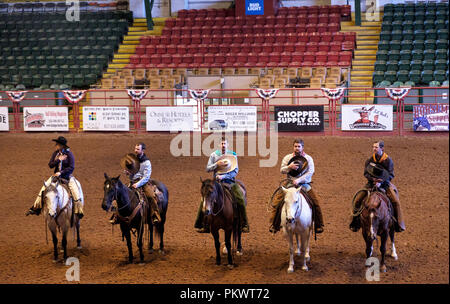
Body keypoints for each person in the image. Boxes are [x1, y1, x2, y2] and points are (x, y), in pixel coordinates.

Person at [269, 138, 324, 234]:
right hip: (290, 183)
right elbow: (282, 170)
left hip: (304, 184)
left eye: (299, 146)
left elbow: (310, 172)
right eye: (295, 146)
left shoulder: (308, 158)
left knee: (315, 202)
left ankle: (319, 224)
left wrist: (299, 180)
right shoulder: (287, 158)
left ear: (302, 147)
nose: (297, 148)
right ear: (293, 147)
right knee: (278, 201)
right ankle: (275, 224)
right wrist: (289, 167)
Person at [195, 137, 249, 233]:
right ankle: (202, 223)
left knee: (240, 197)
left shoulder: (233, 155)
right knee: (204, 198)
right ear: (219, 145)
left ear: (228, 145)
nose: (223, 145)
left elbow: (235, 171)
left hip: (230, 182)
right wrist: (216, 164)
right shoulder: (214, 155)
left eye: (225, 144)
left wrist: (223, 177)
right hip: (216, 183)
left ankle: (244, 223)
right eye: (222, 144)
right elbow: (208, 168)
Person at [350, 140, 406, 232]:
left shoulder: (388, 160)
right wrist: (373, 180)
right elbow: (366, 173)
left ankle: (398, 223)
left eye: (376, 147)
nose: (374, 149)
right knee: (357, 200)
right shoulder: (370, 159)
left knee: (396, 202)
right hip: (371, 183)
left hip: (384, 184)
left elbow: (391, 175)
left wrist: (381, 182)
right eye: (373, 147)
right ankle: (355, 222)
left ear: (382, 148)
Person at [27, 136, 84, 218]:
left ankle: (79, 210)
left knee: (75, 192)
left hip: (67, 177)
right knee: (44, 188)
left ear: (62, 145)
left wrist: (61, 172)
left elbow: (71, 167)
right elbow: (50, 165)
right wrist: (59, 160)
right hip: (55, 177)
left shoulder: (69, 154)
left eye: (57, 144)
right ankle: (36, 207)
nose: (55, 145)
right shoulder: (56, 154)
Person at [117, 142, 161, 225]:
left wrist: (137, 184)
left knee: (151, 196)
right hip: (132, 182)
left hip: (143, 183)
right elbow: (132, 172)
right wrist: (128, 172)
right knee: (120, 193)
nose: (135, 150)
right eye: (135, 149)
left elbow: (146, 177)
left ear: (143, 150)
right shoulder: (133, 160)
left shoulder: (147, 162)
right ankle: (117, 215)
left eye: (138, 149)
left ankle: (154, 214)